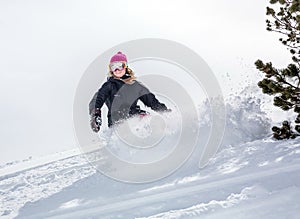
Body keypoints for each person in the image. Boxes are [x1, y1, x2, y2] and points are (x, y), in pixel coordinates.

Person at [89, 51, 170, 132]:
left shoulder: (135, 85)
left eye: (120, 66)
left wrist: (166, 113)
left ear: (125, 67)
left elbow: (152, 101)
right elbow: (97, 100)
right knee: (125, 129)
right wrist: (95, 114)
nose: (117, 70)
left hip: (135, 117)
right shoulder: (108, 86)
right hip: (117, 122)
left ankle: (161, 132)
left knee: (148, 120)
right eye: (113, 67)